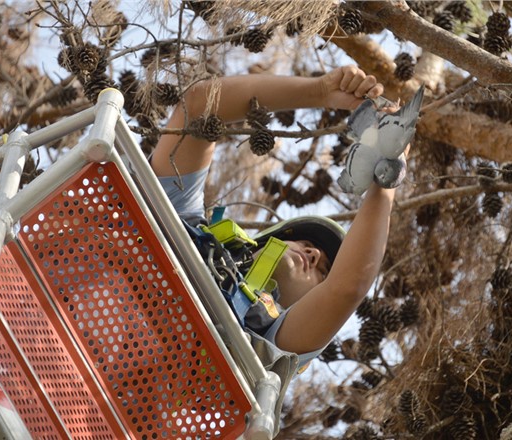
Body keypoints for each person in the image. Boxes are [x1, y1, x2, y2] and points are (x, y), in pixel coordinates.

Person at [152, 65, 401, 369]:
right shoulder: (183, 226)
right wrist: (319, 91)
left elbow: (348, 286)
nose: (312, 253)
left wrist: (387, 173)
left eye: (323, 270)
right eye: (307, 243)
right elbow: (199, 106)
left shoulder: (272, 347)